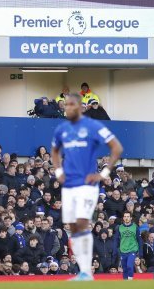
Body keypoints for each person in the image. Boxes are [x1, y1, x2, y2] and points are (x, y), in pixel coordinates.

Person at [51, 94, 123, 281]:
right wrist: (59, 173)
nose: (68, 107)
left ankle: (86, 273)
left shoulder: (93, 126)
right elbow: (54, 151)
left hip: (87, 184)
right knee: (73, 226)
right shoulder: (62, 129)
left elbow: (116, 148)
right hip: (69, 185)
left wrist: (104, 173)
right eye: (66, 105)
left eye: (72, 104)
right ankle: (83, 271)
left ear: (82, 107)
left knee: (82, 222)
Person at [115, 211, 141, 280]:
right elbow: (116, 240)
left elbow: (139, 240)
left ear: (131, 218)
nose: (126, 218)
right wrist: (115, 249)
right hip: (123, 251)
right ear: (123, 218)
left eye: (128, 216)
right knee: (125, 269)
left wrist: (140, 252)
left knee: (129, 265)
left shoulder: (135, 227)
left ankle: (130, 282)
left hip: (132, 250)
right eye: (125, 216)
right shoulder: (119, 227)